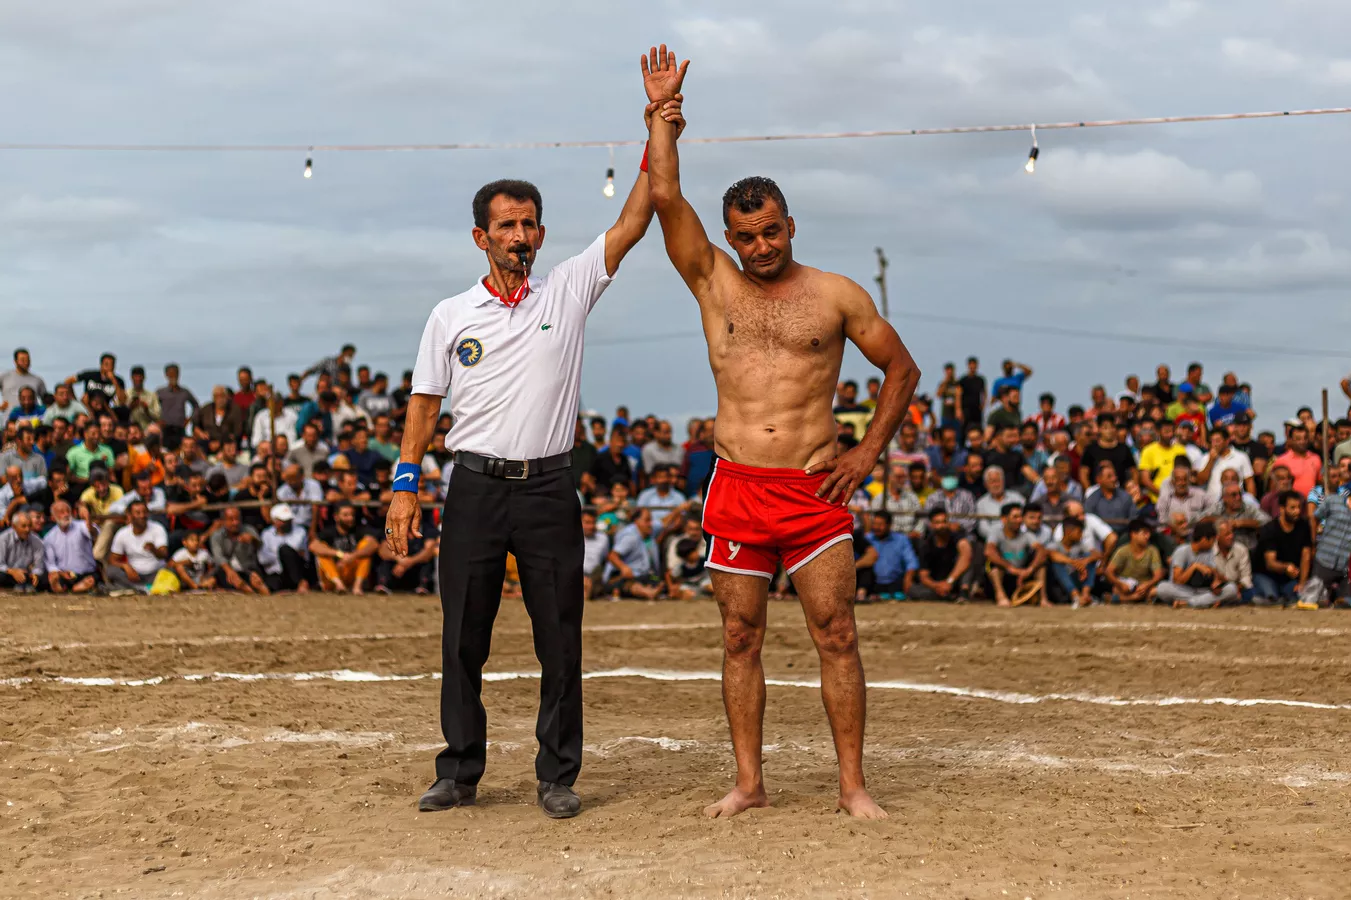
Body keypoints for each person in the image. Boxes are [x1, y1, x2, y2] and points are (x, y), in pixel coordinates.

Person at [645, 45, 919, 820]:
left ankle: (852, 787)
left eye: (770, 231)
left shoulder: (835, 295)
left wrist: (866, 452)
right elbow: (663, 195)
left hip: (811, 487)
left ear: (790, 224)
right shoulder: (712, 281)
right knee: (739, 637)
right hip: (737, 486)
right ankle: (749, 783)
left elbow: (901, 369)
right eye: (747, 237)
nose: (761, 247)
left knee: (836, 634)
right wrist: (661, 117)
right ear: (729, 238)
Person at [1156, 520, 1238, 608]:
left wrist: (1216, 582)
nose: (1213, 544)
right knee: (1162, 588)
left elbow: (1214, 573)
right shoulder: (1182, 550)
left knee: (1232, 588)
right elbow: (1177, 580)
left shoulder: (1209, 551)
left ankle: (1188, 603)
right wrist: (1194, 566)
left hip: (1203, 590)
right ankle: (1204, 602)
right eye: (1212, 540)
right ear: (1204, 539)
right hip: (1183, 590)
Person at [1253, 490, 1312, 605]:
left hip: (1289, 579)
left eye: (1299, 507)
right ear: (1282, 509)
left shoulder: (1304, 526)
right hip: (1266, 575)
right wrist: (1286, 567)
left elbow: (1306, 556)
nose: (1297, 511)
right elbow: (1270, 563)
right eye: (1292, 508)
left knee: (1298, 596)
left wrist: (1302, 584)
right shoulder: (1270, 529)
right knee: (1272, 598)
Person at [984, 502, 1047, 607]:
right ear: (1004, 519)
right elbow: (988, 551)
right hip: (1005, 576)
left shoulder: (1027, 535)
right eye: (1015, 517)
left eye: (1020, 517)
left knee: (1042, 564)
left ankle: (1043, 598)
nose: (1019, 520)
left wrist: (1030, 569)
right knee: (991, 564)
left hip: (1022, 578)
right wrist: (1010, 568)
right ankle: (1000, 596)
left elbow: (1042, 551)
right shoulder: (996, 533)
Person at [907, 508, 973, 600]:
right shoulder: (927, 544)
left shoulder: (956, 537)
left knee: (968, 561)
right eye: (938, 523)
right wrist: (937, 586)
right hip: (937, 584)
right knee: (913, 590)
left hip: (954, 579)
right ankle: (947, 595)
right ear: (931, 525)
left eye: (944, 522)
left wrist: (949, 581)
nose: (942, 526)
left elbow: (966, 554)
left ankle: (963, 593)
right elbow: (923, 576)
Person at [314, 502, 379, 594]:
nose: (350, 518)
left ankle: (357, 587)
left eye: (352, 515)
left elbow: (374, 544)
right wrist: (340, 554)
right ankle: (339, 585)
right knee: (322, 552)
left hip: (351, 573)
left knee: (365, 550)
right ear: (336, 517)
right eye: (345, 515)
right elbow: (313, 546)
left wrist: (353, 556)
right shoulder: (328, 531)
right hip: (333, 575)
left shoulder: (359, 529)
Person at [853, 512, 919, 601]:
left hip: (895, 582)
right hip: (872, 583)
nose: (876, 527)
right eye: (874, 524)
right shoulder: (867, 539)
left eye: (880, 524)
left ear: (889, 525)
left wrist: (908, 579)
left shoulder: (901, 540)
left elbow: (912, 562)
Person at [106, 500, 167, 592]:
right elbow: (112, 560)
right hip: (134, 575)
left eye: (144, 512)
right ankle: (142, 588)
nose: (142, 516)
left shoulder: (158, 528)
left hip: (155, 573)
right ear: (130, 515)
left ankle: (132, 588)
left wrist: (154, 549)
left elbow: (164, 554)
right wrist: (125, 566)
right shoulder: (122, 533)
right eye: (138, 513)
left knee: (170, 571)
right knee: (111, 571)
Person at [602, 507, 663, 598]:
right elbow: (612, 556)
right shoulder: (630, 537)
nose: (651, 524)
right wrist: (623, 567)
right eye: (647, 520)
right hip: (620, 577)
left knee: (656, 581)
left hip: (641, 575)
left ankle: (650, 589)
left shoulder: (648, 533)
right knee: (630, 585)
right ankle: (647, 592)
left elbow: (664, 523)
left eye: (650, 520)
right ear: (637, 521)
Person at [1104, 519, 1165, 603]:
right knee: (1116, 589)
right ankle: (1134, 598)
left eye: (1148, 533)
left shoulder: (1152, 551)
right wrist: (1120, 584)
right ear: (1133, 534)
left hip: (1144, 586)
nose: (1147, 536)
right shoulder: (1122, 551)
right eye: (1144, 533)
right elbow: (1108, 572)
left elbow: (1158, 575)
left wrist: (1147, 584)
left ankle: (1124, 599)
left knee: (1156, 590)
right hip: (1126, 586)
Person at [209, 507, 267, 594]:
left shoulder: (249, 529)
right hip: (227, 571)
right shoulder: (216, 536)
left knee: (258, 582)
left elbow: (260, 546)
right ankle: (250, 593)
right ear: (223, 521)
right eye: (231, 519)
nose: (235, 522)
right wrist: (229, 571)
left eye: (237, 519)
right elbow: (218, 556)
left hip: (248, 569)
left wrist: (252, 539)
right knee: (230, 577)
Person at [1045, 517, 1101, 607]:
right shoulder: (1054, 545)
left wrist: (1085, 561)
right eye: (1079, 532)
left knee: (1090, 559)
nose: (1081, 535)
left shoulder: (1080, 545)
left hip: (1075, 580)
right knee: (1057, 563)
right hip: (1058, 587)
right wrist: (1075, 563)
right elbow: (1052, 555)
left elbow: (1097, 555)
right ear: (1069, 532)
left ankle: (1085, 595)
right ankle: (1075, 596)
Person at [258, 503, 311, 593]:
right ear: (275, 521)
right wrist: (281, 556)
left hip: (297, 572)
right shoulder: (266, 534)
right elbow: (263, 559)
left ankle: (300, 583)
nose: (287, 522)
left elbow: (303, 555)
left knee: (285, 549)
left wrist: (280, 554)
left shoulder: (300, 532)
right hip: (276, 573)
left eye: (288, 520)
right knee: (270, 586)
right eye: (283, 520)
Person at [0, 510, 46, 591]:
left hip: (27, 574)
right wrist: (12, 571)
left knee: (45, 577)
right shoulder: (3, 539)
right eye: (23, 526)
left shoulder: (37, 540)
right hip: (9, 573)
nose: (27, 529)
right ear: (14, 526)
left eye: (29, 526)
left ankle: (24, 585)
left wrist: (35, 574)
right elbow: (0, 564)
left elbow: (39, 566)